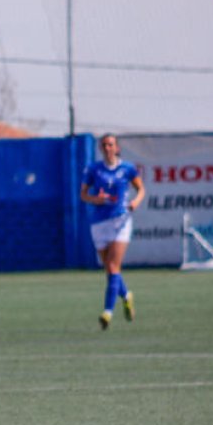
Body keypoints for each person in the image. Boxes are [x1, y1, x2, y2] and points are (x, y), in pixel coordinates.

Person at [80, 133, 145, 330]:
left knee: (113, 264)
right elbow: (83, 194)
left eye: (111, 145)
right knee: (110, 269)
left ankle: (107, 312)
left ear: (116, 148)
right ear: (101, 149)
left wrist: (135, 202)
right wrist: (95, 199)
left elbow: (141, 189)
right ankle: (126, 295)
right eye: (104, 145)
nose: (108, 148)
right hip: (99, 223)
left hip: (121, 221)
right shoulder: (93, 169)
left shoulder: (127, 168)